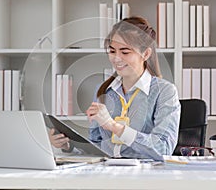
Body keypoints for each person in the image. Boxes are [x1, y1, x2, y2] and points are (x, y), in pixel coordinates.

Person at [49, 16, 181, 160]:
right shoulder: (103, 90)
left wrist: (113, 126)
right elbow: (96, 148)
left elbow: (164, 148)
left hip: (145, 174)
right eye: (112, 51)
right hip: (107, 172)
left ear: (146, 53)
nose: (116, 58)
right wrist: (68, 146)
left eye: (125, 52)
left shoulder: (165, 92)